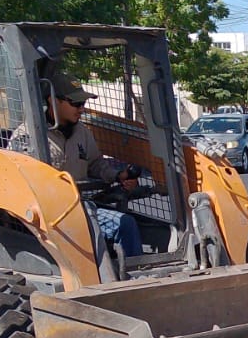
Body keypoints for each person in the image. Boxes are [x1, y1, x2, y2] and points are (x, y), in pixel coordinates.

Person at [9, 72, 147, 260]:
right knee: (122, 224)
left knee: (126, 222)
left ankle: (131, 275)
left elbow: (96, 164)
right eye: (76, 103)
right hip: (48, 215)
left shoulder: (82, 132)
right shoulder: (27, 136)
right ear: (53, 101)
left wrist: (118, 175)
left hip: (79, 207)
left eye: (83, 103)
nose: (81, 109)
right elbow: (19, 181)